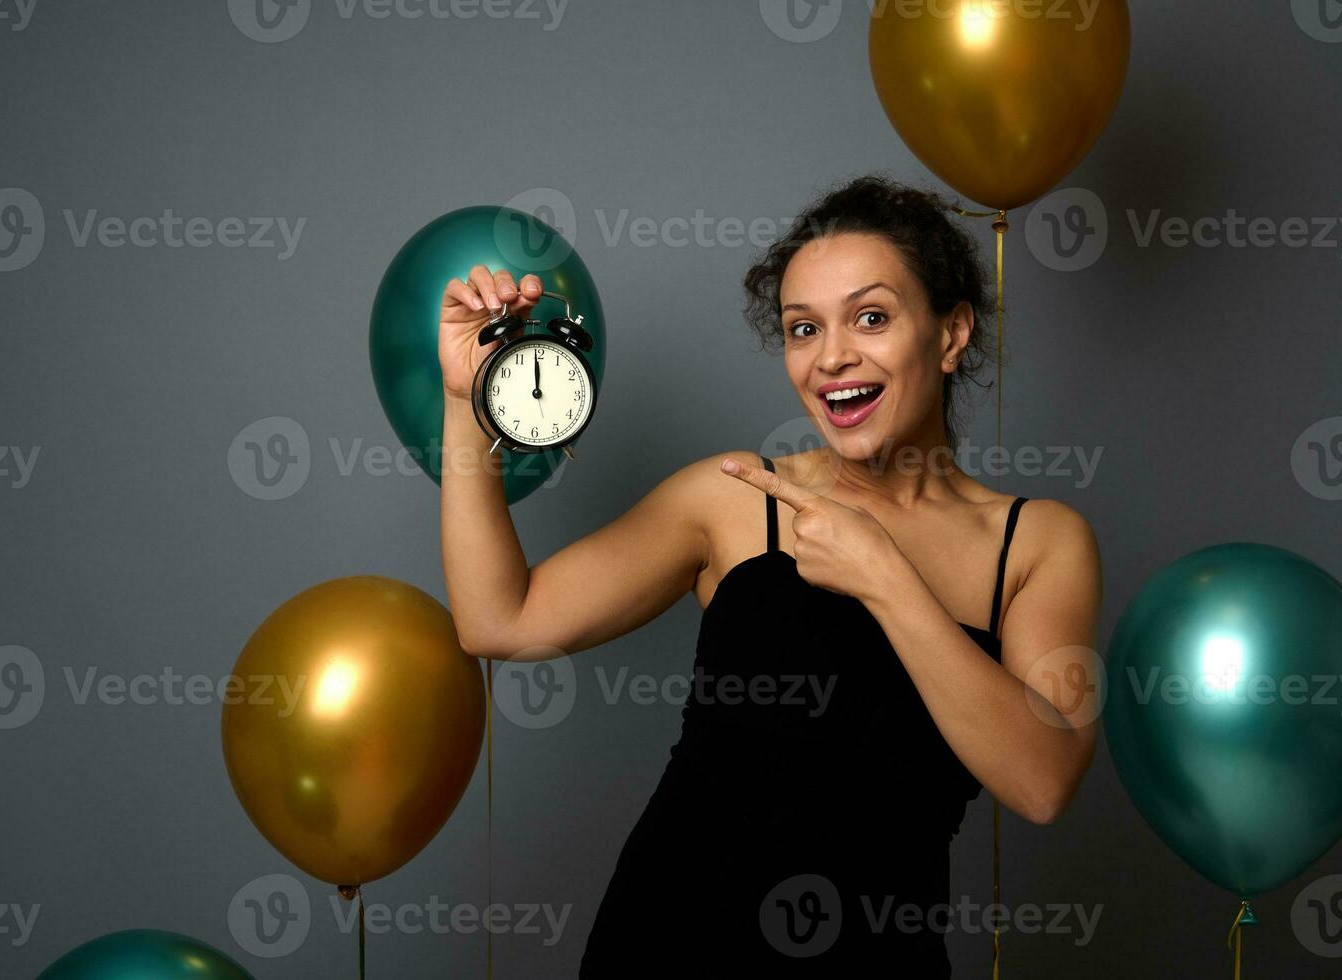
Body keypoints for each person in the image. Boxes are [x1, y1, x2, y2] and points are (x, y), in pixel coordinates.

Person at [436, 174, 1102, 976]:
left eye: (871, 317)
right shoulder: (732, 497)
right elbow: (498, 620)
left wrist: (883, 577)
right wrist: (461, 402)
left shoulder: (1037, 544)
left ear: (951, 333)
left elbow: (1042, 781)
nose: (832, 357)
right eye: (800, 328)